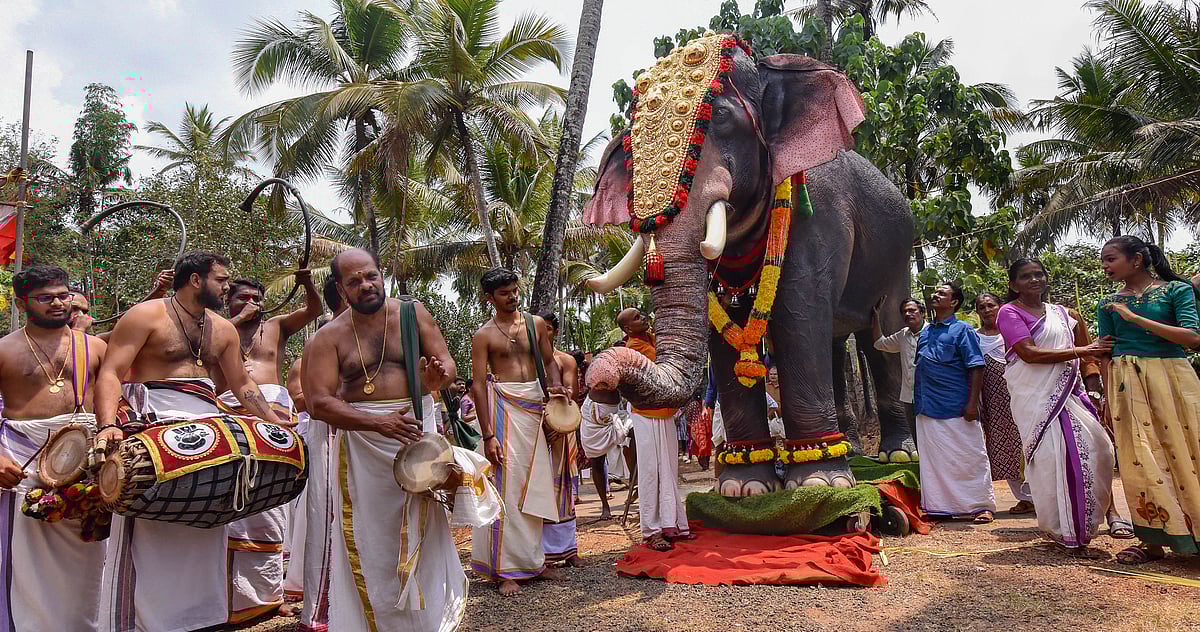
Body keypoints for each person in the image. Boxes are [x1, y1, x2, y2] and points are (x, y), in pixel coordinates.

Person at [302, 248, 500, 630]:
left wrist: (438, 377)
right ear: (341, 289)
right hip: (364, 444)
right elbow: (319, 403)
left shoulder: (412, 314)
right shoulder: (329, 338)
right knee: (372, 538)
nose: (366, 285)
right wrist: (378, 424)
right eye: (354, 281)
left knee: (425, 529)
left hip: (417, 428)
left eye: (370, 276)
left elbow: (447, 363)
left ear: (381, 275)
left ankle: (428, 623)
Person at [93, 251, 286, 632]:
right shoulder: (146, 315)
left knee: (210, 520)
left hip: (209, 434)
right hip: (154, 429)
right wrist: (107, 425)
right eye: (221, 280)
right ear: (196, 280)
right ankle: (151, 623)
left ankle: (200, 621)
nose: (227, 287)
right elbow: (111, 372)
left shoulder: (223, 329)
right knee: (153, 528)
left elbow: (242, 384)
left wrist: (273, 421)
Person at [0, 266, 108, 631]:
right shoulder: (4, 350)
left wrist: (111, 433)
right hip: (22, 460)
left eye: (63, 295)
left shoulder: (94, 347)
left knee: (91, 552)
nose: (58, 303)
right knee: (26, 560)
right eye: (45, 298)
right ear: (22, 303)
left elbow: (115, 401)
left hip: (88, 460)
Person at [997, 259, 1127, 554]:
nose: (1034, 280)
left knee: (1101, 449)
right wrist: (1082, 350)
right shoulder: (1009, 312)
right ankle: (1064, 529)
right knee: (1053, 458)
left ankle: (1103, 515)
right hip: (1036, 398)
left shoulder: (1065, 315)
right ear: (1013, 285)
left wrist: (1094, 390)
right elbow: (1028, 353)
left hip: (1072, 395)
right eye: (1026, 276)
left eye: (1039, 274)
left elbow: (1089, 360)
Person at [214, 270, 321, 624]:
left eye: (256, 299)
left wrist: (306, 283)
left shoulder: (276, 326)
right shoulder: (216, 328)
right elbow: (206, 355)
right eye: (242, 298)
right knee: (230, 504)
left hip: (273, 416)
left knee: (271, 506)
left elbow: (314, 310)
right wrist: (234, 323)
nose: (251, 304)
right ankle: (226, 599)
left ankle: (269, 598)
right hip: (227, 415)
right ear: (228, 301)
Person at [1097, 236, 1200, 564]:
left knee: (1189, 451)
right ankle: (1152, 541)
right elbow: (1105, 352)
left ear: (1137, 259)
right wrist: (1107, 397)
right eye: (1104, 260)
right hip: (1127, 383)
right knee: (1140, 458)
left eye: (1111, 259)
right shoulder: (1108, 303)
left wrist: (1135, 318)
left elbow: (1193, 337)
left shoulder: (1176, 291)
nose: (1105, 266)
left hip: (1173, 379)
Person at [469, 268, 567, 596]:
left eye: (514, 290)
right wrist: (488, 436)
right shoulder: (483, 335)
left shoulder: (535, 324)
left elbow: (549, 361)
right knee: (506, 489)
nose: (512, 297)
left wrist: (556, 388)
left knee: (535, 486)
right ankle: (503, 570)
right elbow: (478, 385)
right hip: (503, 409)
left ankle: (534, 562)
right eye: (504, 293)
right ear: (490, 298)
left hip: (534, 406)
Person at [287, 277, 345, 632]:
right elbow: (309, 401)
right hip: (330, 434)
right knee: (326, 515)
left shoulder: (378, 336)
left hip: (371, 435)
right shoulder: (317, 345)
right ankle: (323, 610)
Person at [914, 282, 995, 523]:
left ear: (954, 302)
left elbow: (976, 367)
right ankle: (941, 507)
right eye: (935, 292)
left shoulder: (963, 330)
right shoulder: (926, 332)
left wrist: (972, 403)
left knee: (970, 456)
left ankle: (981, 505)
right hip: (927, 406)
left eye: (942, 293)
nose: (935, 295)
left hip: (957, 405)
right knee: (935, 460)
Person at [619, 307, 692, 551]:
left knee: (669, 470)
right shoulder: (633, 349)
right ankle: (652, 531)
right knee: (650, 471)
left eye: (642, 314)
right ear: (628, 329)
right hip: (645, 415)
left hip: (665, 413)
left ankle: (674, 524)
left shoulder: (654, 339)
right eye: (637, 318)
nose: (643, 318)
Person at [974, 292, 1035, 514]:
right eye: (982, 307)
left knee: (1028, 444)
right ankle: (1025, 498)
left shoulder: (1013, 332)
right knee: (1003, 447)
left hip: (1021, 395)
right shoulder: (974, 338)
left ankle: (1041, 495)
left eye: (991, 305)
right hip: (993, 402)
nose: (987, 310)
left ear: (1000, 306)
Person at [536, 311, 583, 567]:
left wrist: (556, 418)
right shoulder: (525, 360)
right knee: (536, 487)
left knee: (561, 487)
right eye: (539, 328)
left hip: (560, 427)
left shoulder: (565, 360)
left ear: (554, 330)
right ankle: (537, 553)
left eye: (548, 328)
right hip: (531, 426)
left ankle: (568, 550)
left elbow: (570, 394)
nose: (544, 332)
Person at [873, 297, 926, 457]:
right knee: (916, 435)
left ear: (922, 312)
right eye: (904, 312)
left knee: (933, 434)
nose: (908, 314)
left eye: (912, 310)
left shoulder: (933, 333)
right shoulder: (903, 335)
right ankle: (924, 468)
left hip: (931, 395)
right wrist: (876, 317)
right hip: (909, 397)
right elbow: (880, 343)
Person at [70, 270, 174, 339]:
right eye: (74, 309)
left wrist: (158, 291)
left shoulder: (93, 341)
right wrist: (78, 330)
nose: (80, 315)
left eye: (84, 311)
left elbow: (127, 331)